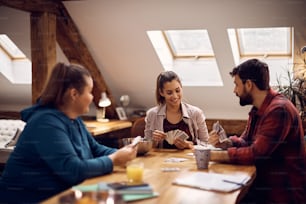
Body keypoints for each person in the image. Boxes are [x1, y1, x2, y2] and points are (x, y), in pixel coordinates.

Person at [0, 63, 137, 203]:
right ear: (74, 94)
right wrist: (114, 159)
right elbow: (72, 171)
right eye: (90, 92)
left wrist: (126, 153)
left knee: (138, 192)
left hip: (64, 195)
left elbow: (95, 149)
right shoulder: (45, 123)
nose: (92, 98)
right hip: (33, 200)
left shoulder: (74, 119)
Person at [208, 59, 306, 204]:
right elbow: (246, 141)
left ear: (249, 84)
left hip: (282, 194)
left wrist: (215, 156)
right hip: (263, 186)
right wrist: (226, 143)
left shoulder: (279, 110)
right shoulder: (258, 109)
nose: (234, 90)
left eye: (236, 84)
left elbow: (256, 153)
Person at [144, 70, 209, 149]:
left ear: (181, 88)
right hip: (160, 160)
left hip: (189, 160)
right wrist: (154, 141)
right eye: (169, 93)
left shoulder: (196, 113)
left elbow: (206, 144)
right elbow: (146, 146)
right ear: (161, 92)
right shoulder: (152, 114)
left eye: (177, 90)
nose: (175, 96)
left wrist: (188, 145)